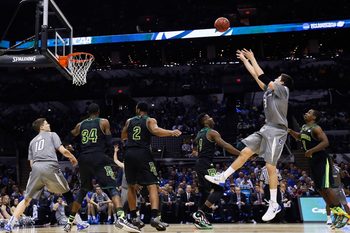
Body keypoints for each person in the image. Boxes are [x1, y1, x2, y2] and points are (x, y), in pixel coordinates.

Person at [205, 49, 294, 222]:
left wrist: (253, 57)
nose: (275, 79)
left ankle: (274, 203)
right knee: (245, 152)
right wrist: (245, 60)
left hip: (277, 130)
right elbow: (256, 76)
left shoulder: (283, 90)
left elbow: (263, 77)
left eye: (277, 78)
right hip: (266, 128)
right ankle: (222, 177)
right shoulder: (270, 91)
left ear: (282, 81)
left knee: (270, 167)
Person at [63, 103, 139, 233]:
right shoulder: (104, 122)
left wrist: (69, 147)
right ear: (98, 111)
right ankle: (121, 218)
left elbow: (67, 138)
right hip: (98, 157)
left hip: (84, 159)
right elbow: (109, 142)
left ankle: (69, 223)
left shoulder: (80, 125)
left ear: (88, 112)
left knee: (83, 190)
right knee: (112, 187)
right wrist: (109, 158)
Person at [4, 118, 87, 233]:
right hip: (49, 166)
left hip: (36, 169)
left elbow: (31, 163)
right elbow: (63, 151)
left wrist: (41, 178)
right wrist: (73, 158)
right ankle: (80, 223)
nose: (49, 125)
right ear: (41, 127)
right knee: (67, 194)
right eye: (46, 123)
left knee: (26, 199)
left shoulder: (32, 142)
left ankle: (10, 224)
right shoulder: (52, 135)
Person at [121, 102, 181, 231]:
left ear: (137, 109)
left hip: (129, 153)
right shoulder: (150, 120)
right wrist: (171, 132)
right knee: (152, 185)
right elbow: (155, 131)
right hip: (143, 153)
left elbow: (123, 136)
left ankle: (134, 217)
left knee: (131, 186)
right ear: (147, 111)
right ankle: (154, 217)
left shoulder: (129, 121)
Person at [288, 109, 350, 228]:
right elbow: (299, 137)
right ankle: (336, 212)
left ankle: (342, 213)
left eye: (310, 112)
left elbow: (325, 142)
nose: (306, 113)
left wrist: (311, 150)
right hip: (312, 160)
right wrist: (290, 130)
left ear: (314, 118)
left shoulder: (316, 128)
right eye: (307, 112)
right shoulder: (304, 127)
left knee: (326, 187)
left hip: (321, 159)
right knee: (320, 188)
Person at [191, 113, 240, 229]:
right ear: (205, 121)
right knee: (219, 188)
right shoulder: (212, 132)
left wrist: (199, 152)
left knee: (205, 192)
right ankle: (200, 213)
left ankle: (200, 221)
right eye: (209, 117)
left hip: (199, 163)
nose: (212, 118)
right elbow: (225, 145)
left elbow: (194, 149)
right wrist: (241, 154)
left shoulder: (199, 134)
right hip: (207, 164)